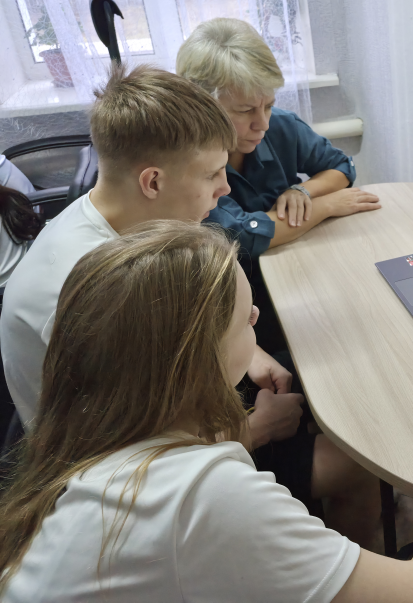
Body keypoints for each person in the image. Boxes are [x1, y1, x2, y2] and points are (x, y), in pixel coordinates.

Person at [0, 221, 413, 602]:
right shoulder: (206, 497)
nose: (257, 315)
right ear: (195, 360)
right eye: (244, 319)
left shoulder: (88, 430)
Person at [0, 65, 378, 542]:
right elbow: (140, 459)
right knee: (357, 461)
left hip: (141, 418)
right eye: (212, 175)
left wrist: (253, 354)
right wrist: (256, 429)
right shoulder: (97, 294)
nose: (225, 190)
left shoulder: (120, 219)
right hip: (115, 484)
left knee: (321, 368)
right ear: (153, 182)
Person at [177, 18, 382, 352]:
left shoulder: (281, 126)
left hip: (300, 276)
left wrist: (302, 190)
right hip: (238, 310)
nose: (262, 123)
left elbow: (341, 167)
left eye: (269, 105)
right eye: (245, 110)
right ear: (202, 107)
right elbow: (242, 236)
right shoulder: (186, 162)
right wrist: (325, 205)